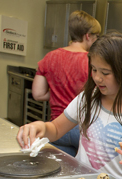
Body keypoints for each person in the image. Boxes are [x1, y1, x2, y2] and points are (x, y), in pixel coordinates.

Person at [17, 32, 122, 179]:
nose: (97, 77)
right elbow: (56, 129)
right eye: (94, 69)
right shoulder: (87, 99)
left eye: (105, 72)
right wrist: (41, 127)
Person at [31, 10, 101, 157]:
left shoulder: (50, 57)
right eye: (96, 37)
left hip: (56, 129)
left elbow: (38, 94)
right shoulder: (93, 62)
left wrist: (58, 90)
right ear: (87, 36)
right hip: (82, 131)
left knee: (62, 170)